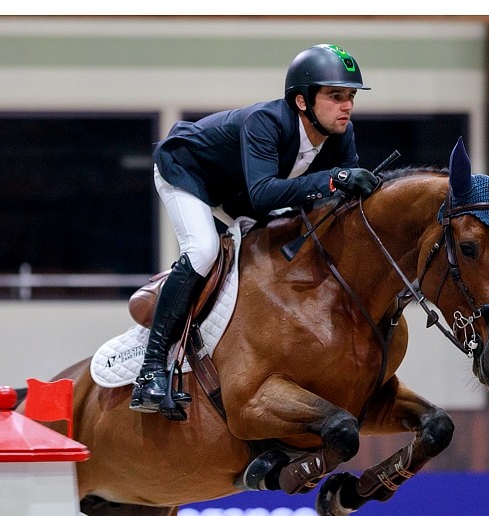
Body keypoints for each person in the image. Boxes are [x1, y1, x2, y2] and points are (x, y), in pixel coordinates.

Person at [131, 43, 379, 415]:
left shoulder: (342, 135)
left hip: (238, 193)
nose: (346, 106)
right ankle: (149, 372)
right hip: (188, 173)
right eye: (335, 96)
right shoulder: (267, 122)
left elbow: (333, 203)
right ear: (301, 101)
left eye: (350, 97)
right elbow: (265, 194)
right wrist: (336, 178)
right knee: (202, 250)